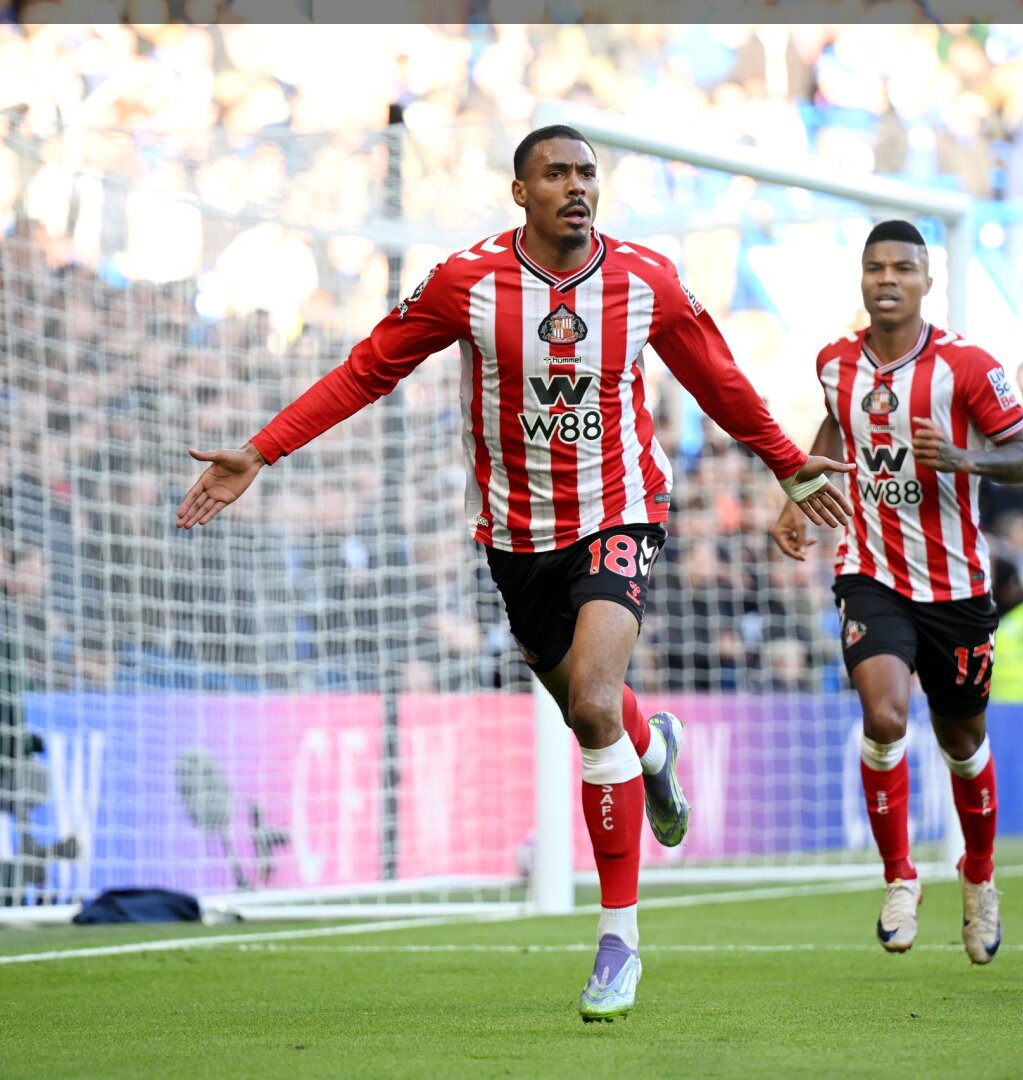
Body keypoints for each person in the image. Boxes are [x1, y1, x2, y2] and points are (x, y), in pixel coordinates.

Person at [176, 125, 854, 1021]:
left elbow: (717, 381)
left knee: (594, 706)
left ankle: (619, 941)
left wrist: (788, 465)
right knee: (591, 709)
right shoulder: (465, 282)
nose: (577, 187)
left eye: (587, 174)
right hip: (517, 535)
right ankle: (655, 750)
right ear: (520, 192)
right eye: (556, 174)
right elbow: (365, 371)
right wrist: (263, 450)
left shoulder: (646, 280)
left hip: (620, 509)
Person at [769, 220, 1023, 964]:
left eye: (902, 268)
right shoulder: (834, 362)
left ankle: (978, 877)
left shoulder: (969, 366)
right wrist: (801, 492)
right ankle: (899, 877)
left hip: (955, 586)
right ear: (862, 278)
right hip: (871, 572)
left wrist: (961, 457)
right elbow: (837, 425)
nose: (886, 279)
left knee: (962, 741)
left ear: (927, 281)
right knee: (884, 716)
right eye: (875, 268)